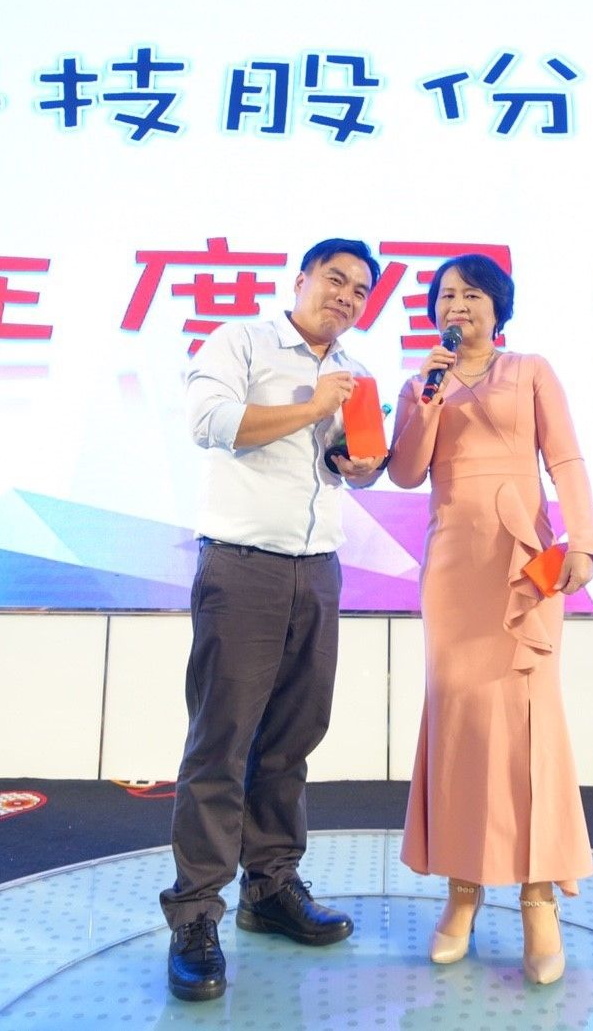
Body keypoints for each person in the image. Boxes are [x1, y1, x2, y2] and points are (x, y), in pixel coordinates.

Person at [161, 238, 385, 1002]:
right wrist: (312, 406)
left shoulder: (354, 373)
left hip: (317, 570)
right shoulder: (242, 340)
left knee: (291, 742)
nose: (346, 296)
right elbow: (210, 421)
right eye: (335, 279)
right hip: (242, 567)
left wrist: (359, 462)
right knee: (221, 745)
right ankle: (196, 916)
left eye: (360, 290)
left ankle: (271, 888)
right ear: (300, 280)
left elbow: (351, 462)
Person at [387, 254, 593, 985]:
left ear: (497, 307)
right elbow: (406, 472)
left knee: (529, 721)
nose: (458, 304)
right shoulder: (421, 382)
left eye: (472, 293)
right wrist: (427, 397)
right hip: (453, 566)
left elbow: (565, 459)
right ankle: (462, 890)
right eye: (447, 294)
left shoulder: (531, 370)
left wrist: (584, 540)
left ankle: (539, 899)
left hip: (522, 563)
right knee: (460, 722)